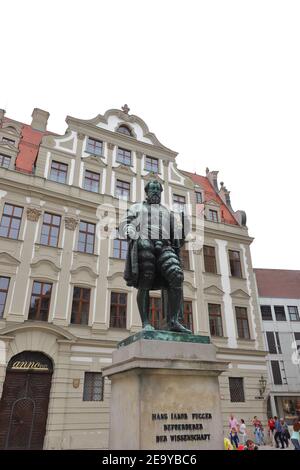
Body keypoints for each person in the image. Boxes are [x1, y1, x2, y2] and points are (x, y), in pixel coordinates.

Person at [119, 179, 191, 333]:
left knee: (177, 276)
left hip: (164, 246)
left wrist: (183, 228)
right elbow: (125, 223)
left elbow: (177, 238)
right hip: (145, 242)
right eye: (152, 190)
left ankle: (173, 321)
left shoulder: (167, 213)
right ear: (147, 192)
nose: (155, 193)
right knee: (146, 279)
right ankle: (145, 322)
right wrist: (132, 232)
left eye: (158, 190)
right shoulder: (137, 207)